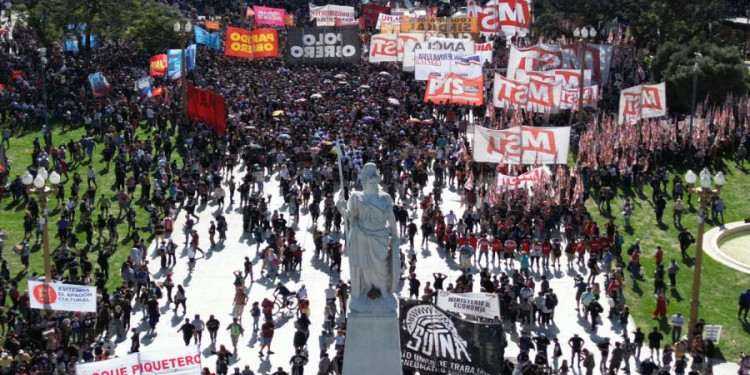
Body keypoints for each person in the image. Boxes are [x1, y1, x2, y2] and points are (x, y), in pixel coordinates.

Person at [336, 163, 400, 314]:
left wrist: (395, 235)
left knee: (382, 265)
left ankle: (384, 292)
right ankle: (365, 291)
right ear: (363, 180)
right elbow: (351, 217)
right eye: (368, 178)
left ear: (378, 179)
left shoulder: (385, 197)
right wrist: (341, 209)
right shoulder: (356, 197)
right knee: (364, 267)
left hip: (381, 236)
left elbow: (391, 217)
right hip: (361, 236)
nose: (372, 181)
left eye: (374, 177)